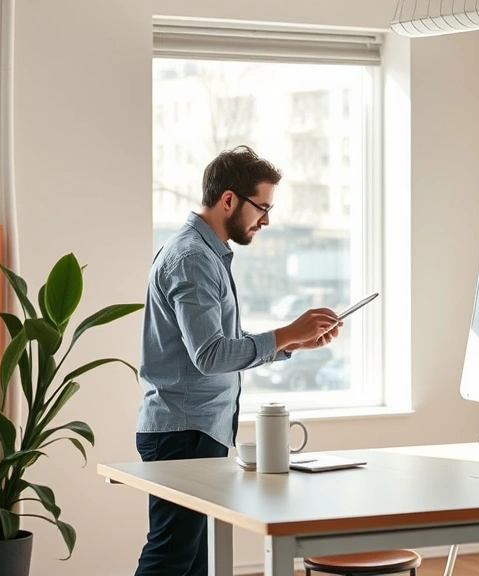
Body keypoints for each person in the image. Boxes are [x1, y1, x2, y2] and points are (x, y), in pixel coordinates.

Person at [134, 145, 341, 576]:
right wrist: (284, 333)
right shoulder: (193, 258)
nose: (266, 220)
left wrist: (293, 344)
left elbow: (218, 346)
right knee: (171, 559)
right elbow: (210, 355)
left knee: (191, 561)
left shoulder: (204, 254)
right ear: (229, 199)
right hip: (183, 432)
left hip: (192, 430)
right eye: (261, 207)